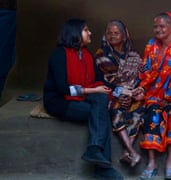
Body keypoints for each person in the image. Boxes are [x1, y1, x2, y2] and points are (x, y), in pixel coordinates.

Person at [43, 18, 123, 179]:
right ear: (75, 33)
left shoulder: (86, 55)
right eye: (86, 30)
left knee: (101, 99)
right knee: (101, 113)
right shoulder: (59, 54)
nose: (90, 33)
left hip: (81, 98)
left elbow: (101, 80)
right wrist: (91, 90)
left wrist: (121, 91)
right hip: (60, 101)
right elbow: (62, 88)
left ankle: (94, 150)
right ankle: (102, 168)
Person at [133, 12, 171, 180]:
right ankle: (152, 164)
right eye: (155, 26)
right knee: (152, 115)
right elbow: (145, 71)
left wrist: (169, 95)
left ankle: (169, 163)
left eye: (162, 26)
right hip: (154, 94)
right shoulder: (150, 45)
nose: (158, 30)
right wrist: (141, 89)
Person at [95, 19, 144, 167]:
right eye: (109, 33)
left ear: (124, 35)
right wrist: (121, 92)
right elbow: (102, 80)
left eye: (116, 33)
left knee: (139, 111)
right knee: (116, 109)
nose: (112, 36)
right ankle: (131, 151)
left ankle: (125, 152)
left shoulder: (134, 55)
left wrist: (136, 92)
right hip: (112, 93)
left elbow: (141, 77)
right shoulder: (100, 54)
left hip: (132, 93)